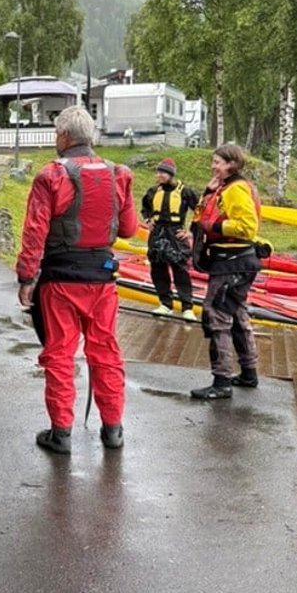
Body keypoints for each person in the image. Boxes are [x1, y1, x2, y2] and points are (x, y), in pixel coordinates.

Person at [16, 106, 138, 455]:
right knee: (105, 351)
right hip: (102, 281)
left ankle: (61, 433)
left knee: (59, 354)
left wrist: (27, 277)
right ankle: (113, 430)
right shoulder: (119, 174)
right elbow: (128, 229)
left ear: (65, 137)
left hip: (61, 282)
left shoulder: (51, 176)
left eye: (57, 134)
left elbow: (35, 231)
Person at [190, 143, 261, 400]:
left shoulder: (236, 189)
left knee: (216, 315)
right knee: (237, 313)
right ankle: (248, 372)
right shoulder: (223, 189)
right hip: (232, 262)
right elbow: (199, 220)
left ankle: (221, 381)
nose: (213, 166)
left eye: (217, 162)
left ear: (232, 164)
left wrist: (217, 226)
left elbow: (247, 227)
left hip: (233, 262)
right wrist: (207, 193)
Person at [141, 157, 199, 319]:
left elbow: (200, 211)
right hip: (157, 233)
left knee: (180, 269)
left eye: (163, 173)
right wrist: (148, 220)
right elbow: (145, 208)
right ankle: (165, 304)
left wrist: (190, 231)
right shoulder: (153, 191)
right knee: (158, 269)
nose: (159, 175)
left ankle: (187, 307)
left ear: (171, 174)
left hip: (175, 233)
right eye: (158, 172)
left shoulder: (185, 192)